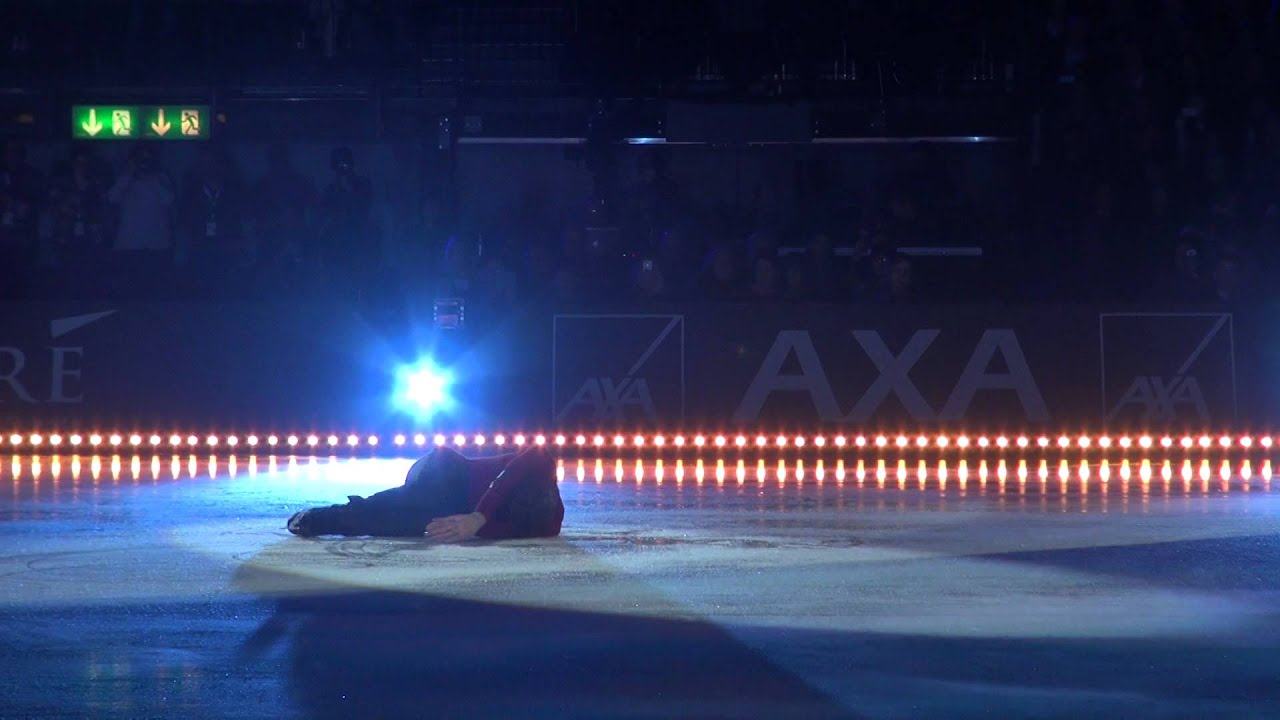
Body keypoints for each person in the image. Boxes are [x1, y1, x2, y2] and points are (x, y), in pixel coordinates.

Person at [286, 447, 563, 541]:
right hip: (446, 470)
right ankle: (321, 517)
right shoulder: (542, 464)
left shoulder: (546, 524)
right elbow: (505, 479)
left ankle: (325, 518)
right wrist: (479, 516)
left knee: (405, 524)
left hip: (456, 504)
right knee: (423, 504)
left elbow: (504, 530)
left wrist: (473, 526)